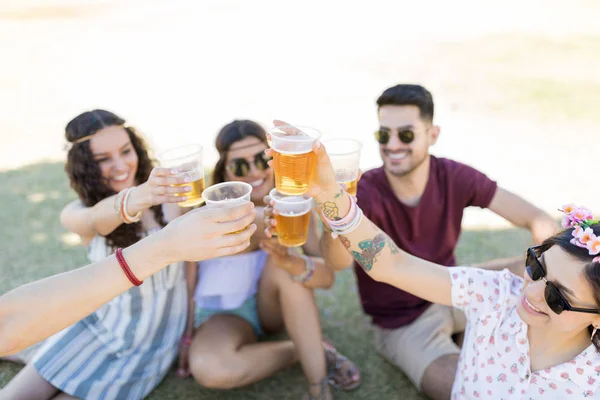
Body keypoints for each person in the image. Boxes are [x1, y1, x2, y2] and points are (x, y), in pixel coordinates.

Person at [269, 138, 600, 399]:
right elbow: (389, 263)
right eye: (536, 267)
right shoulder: (496, 294)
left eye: (557, 297)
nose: (530, 292)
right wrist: (329, 193)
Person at [317, 85, 559, 399]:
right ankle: (471, 339)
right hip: (403, 323)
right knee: (473, 390)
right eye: (383, 135)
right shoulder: (363, 191)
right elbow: (337, 264)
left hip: (453, 289)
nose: (391, 145)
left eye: (405, 135)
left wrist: (554, 264)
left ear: (432, 134)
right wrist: (334, 222)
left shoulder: (452, 175)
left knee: (539, 273)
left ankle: (477, 333)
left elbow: (536, 218)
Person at [0, 109, 209, 400]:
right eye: (104, 159)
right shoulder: (79, 214)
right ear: (85, 165)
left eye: (126, 151)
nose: (121, 165)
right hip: (95, 329)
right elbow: (98, 219)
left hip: (145, 347)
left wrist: (188, 336)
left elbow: (190, 274)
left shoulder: (174, 203)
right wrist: (141, 195)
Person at [182, 120, 360, 400]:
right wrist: (186, 335)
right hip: (223, 315)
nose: (253, 171)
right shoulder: (212, 211)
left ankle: (318, 388)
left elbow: (331, 271)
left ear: (276, 161)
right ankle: (302, 348)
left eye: (261, 160)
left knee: (282, 264)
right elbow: (188, 275)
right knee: (211, 368)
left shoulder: (295, 206)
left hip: (270, 307)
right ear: (226, 171)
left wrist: (331, 216)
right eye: (240, 166)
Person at [0, 202, 256, 357]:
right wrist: (166, 245)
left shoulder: (166, 207)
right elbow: (8, 324)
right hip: (103, 331)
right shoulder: (86, 211)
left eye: (125, 150)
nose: (118, 165)